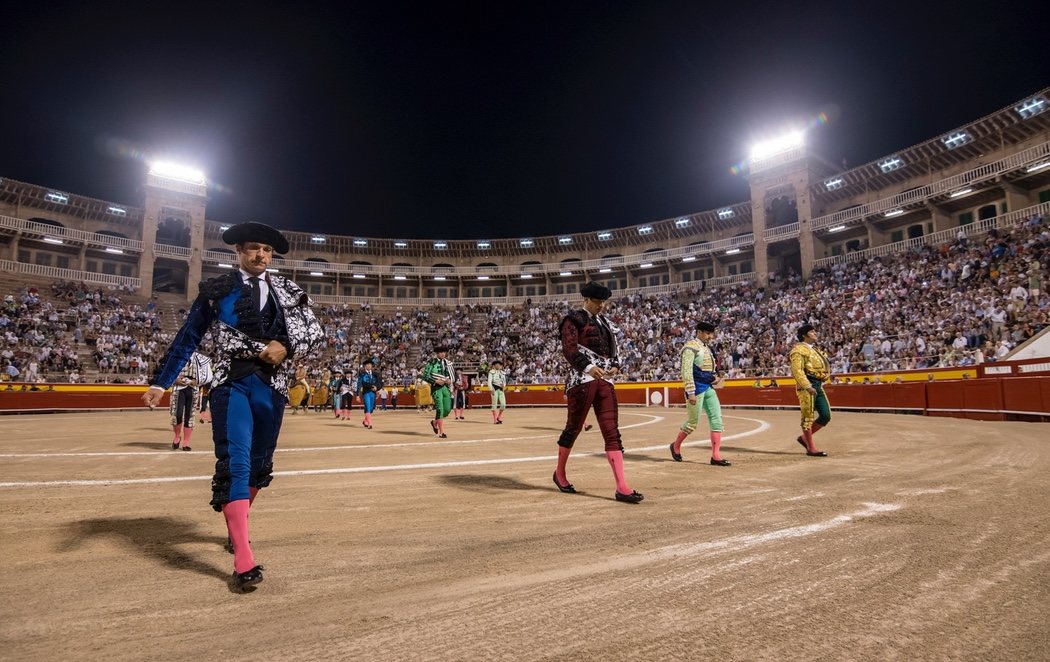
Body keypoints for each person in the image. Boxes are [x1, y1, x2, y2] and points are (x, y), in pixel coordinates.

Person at [142, 222, 324, 592]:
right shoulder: (217, 290)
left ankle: (236, 529)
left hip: (271, 386)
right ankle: (243, 558)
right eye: (254, 248)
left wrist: (286, 347)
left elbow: (315, 332)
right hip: (230, 383)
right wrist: (162, 381)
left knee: (260, 464)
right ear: (238, 250)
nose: (261, 255)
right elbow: (188, 337)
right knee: (237, 462)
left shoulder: (288, 290)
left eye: (267, 250)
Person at [553, 282, 642, 504]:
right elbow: (569, 349)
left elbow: (615, 351)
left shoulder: (606, 324)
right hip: (581, 380)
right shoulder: (573, 319)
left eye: (603, 302)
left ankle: (622, 487)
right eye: (597, 301)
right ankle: (560, 473)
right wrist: (589, 367)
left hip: (605, 380)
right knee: (573, 429)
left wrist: (616, 366)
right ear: (586, 299)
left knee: (612, 432)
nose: (601, 305)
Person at [670, 321, 729, 466]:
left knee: (717, 420)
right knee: (692, 423)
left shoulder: (706, 348)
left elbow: (707, 369)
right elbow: (686, 371)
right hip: (696, 388)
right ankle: (675, 446)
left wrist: (714, 378)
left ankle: (715, 456)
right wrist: (690, 391)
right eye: (708, 334)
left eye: (711, 334)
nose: (710, 337)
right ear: (699, 332)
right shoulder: (690, 347)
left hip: (708, 387)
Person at [789, 323, 831, 457]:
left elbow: (825, 366)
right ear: (804, 335)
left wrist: (825, 376)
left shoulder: (816, 350)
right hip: (806, 386)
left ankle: (803, 438)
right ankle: (811, 448)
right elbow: (797, 370)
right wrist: (807, 386)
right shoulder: (798, 350)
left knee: (825, 415)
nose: (815, 333)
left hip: (817, 385)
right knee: (807, 417)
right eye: (812, 332)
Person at [168, 351, 213, 450]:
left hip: (193, 388)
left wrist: (195, 381)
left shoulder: (201, 358)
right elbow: (168, 372)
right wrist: (175, 380)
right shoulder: (175, 356)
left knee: (190, 415)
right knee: (177, 414)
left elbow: (207, 377)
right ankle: (177, 436)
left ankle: (186, 442)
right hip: (178, 387)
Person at [421, 345, 455, 437]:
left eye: (444, 352)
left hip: (446, 388)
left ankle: (434, 422)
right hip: (436, 387)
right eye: (441, 352)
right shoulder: (431, 363)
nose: (443, 354)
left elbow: (452, 376)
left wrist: (450, 380)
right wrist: (435, 381)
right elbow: (425, 376)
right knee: (440, 408)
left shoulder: (448, 363)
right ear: (437, 354)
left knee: (447, 409)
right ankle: (442, 432)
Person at [356, 359, 382, 429]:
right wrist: (357, 395)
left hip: (373, 393)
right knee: (367, 406)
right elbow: (359, 384)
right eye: (367, 364)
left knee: (371, 408)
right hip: (366, 392)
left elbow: (380, 383)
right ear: (365, 366)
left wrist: (377, 388)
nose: (369, 366)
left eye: (370, 364)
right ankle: (370, 423)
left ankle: (365, 421)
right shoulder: (362, 374)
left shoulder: (375, 374)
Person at [488, 359, 507, 424]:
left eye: (499, 365)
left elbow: (504, 382)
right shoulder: (491, 372)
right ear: (494, 366)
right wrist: (491, 389)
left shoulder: (502, 373)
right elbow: (489, 382)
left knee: (503, 405)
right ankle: (495, 420)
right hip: (494, 389)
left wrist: (503, 385)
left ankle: (498, 417)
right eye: (497, 364)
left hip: (501, 390)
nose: (498, 366)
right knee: (494, 405)